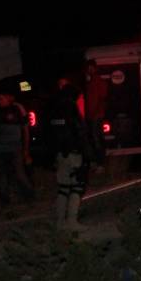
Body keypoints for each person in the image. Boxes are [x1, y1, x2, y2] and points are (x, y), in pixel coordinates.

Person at [47, 78, 90, 229]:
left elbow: (48, 134)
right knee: (77, 187)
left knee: (63, 188)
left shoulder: (54, 109)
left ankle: (59, 222)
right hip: (74, 154)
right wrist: (87, 156)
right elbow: (80, 133)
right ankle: (72, 221)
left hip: (60, 155)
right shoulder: (72, 109)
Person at [0, 90, 35, 205]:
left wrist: (26, 150)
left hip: (14, 148)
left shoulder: (16, 110)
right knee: (2, 175)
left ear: (8, 99)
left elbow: (25, 129)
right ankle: (4, 200)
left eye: (1, 98)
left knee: (19, 173)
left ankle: (30, 195)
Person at [83, 60, 109, 164]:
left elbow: (102, 98)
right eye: (88, 68)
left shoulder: (98, 81)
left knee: (97, 138)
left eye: (91, 68)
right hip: (91, 115)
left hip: (96, 115)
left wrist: (94, 113)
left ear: (94, 68)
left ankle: (101, 162)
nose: (89, 70)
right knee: (94, 138)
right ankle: (98, 161)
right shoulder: (90, 82)